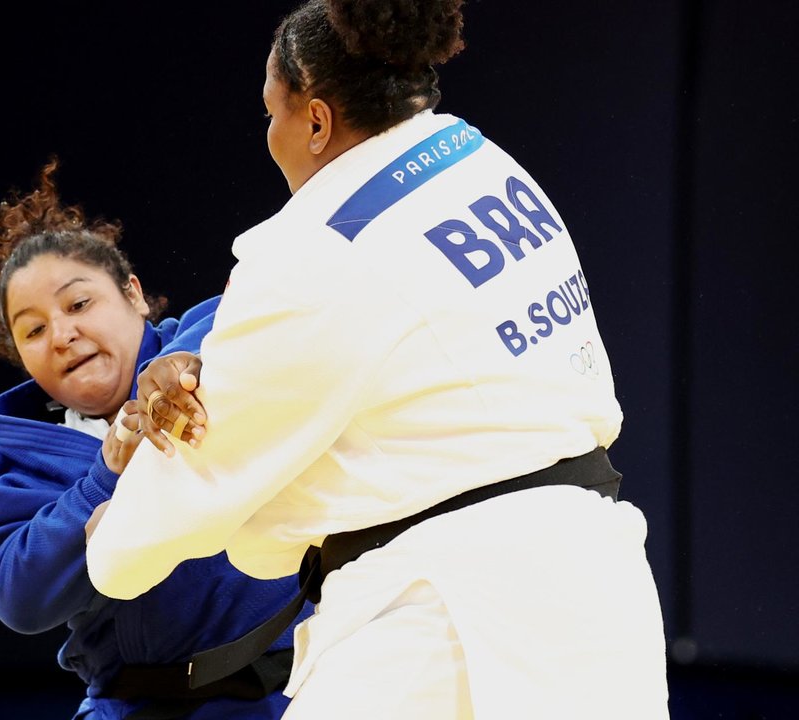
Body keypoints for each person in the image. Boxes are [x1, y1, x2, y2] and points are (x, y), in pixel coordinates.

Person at [84, 1, 670, 718]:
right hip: (602, 599)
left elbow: (200, 470)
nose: (270, 135)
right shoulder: (486, 165)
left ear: (318, 121)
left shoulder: (315, 248)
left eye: (274, 114)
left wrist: (111, 536)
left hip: (447, 629)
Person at [0, 156, 313, 720]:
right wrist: (105, 476)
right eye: (34, 330)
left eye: (78, 304)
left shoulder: (218, 338)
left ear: (135, 295)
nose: (64, 335)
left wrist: (182, 373)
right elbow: (19, 596)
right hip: (150, 707)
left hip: (320, 685)